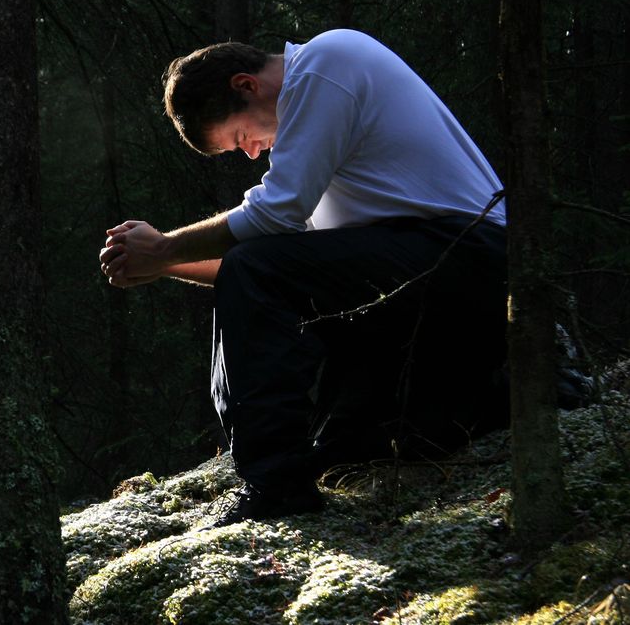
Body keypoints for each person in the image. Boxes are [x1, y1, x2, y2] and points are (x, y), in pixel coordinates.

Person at [98, 29, 508, 526]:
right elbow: (278, 264)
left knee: (258, 265)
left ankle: (272, 483)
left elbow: (272, 223)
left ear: (246, 85)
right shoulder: (323, 133)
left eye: (239, 138)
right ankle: (493, 391)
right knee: (346, 451)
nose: (251, 153)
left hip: (469, 257)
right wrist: (163, 264)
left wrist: (165, 246)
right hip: (435, 277)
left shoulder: (327, 61)